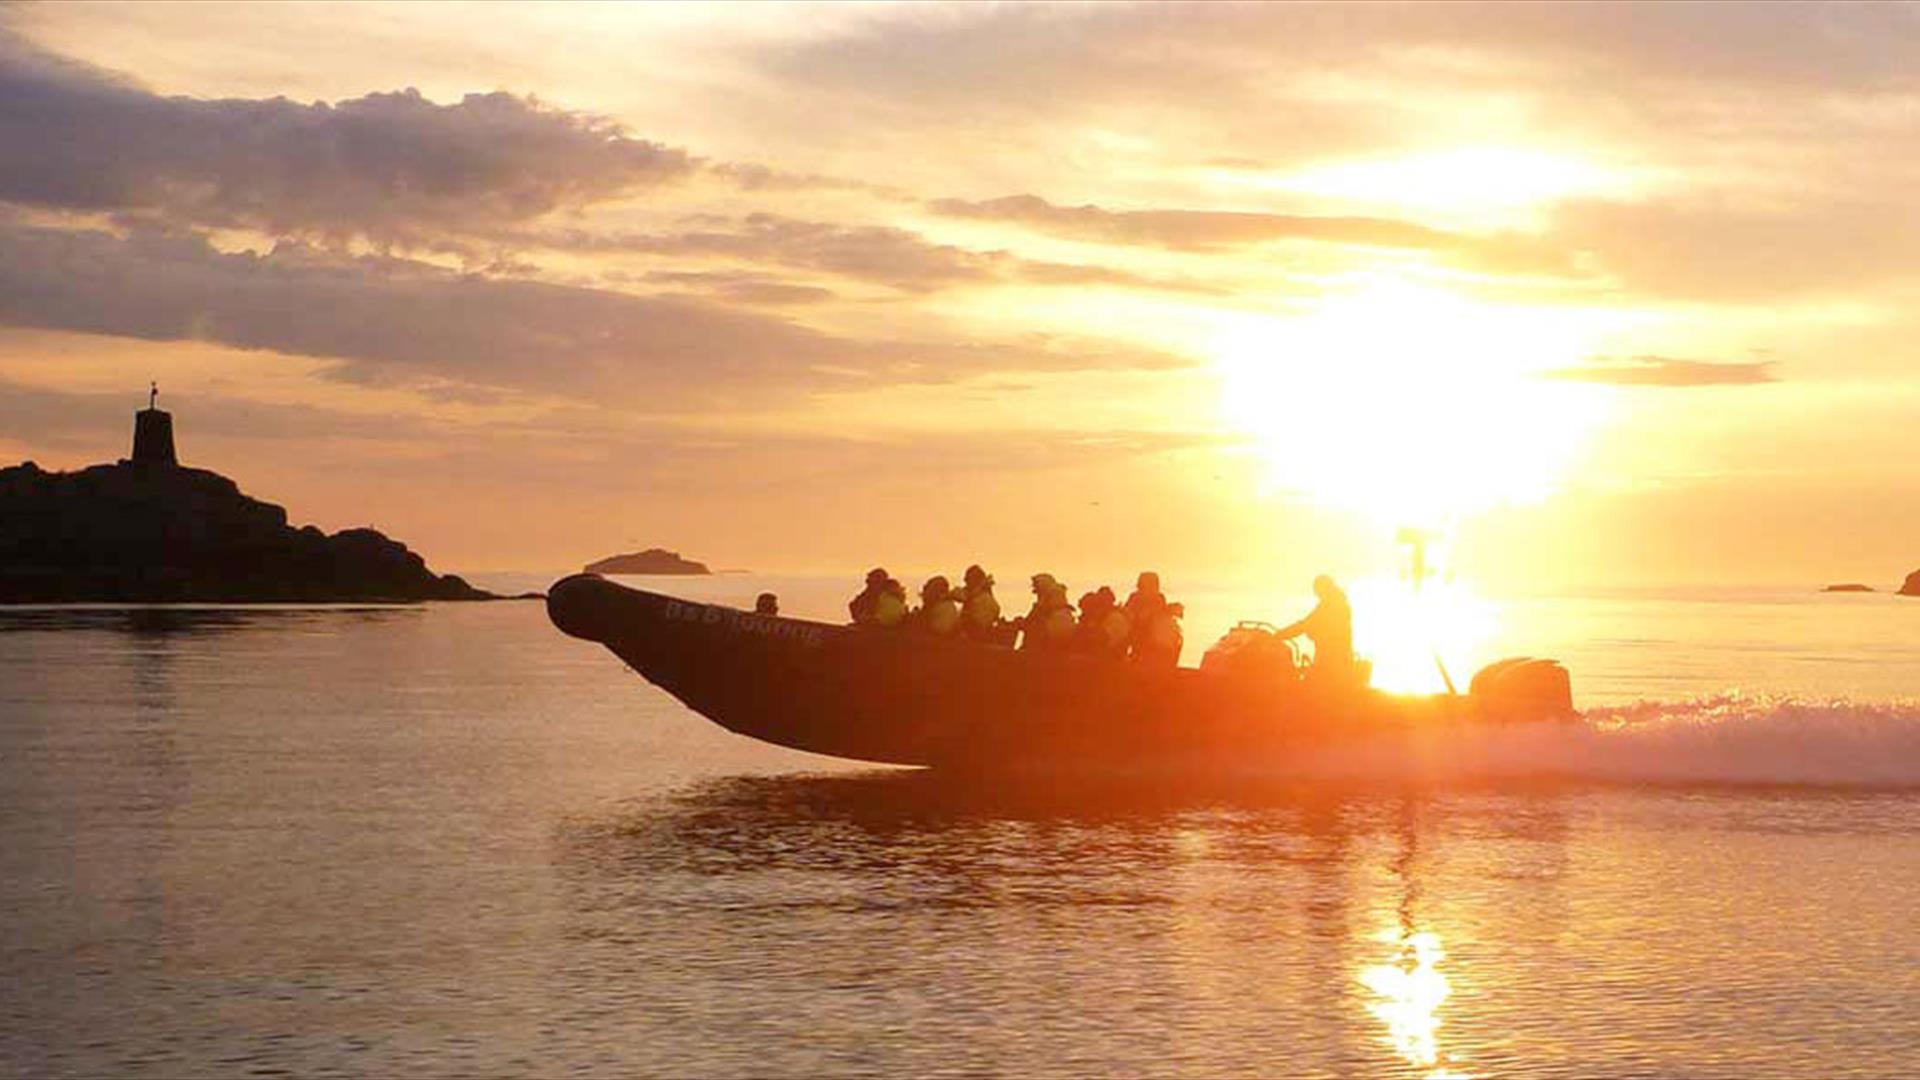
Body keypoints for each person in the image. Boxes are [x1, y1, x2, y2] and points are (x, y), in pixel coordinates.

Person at [1275, 574, 1353, 677]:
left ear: (1324, 588)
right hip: (1338, 659)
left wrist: (1279, 636)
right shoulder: (1338, 603)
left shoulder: (1330, 606)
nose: (1317, 594)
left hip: (1331, 662)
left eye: (1318, 590)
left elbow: (1305, 625)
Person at [1017, 573, 1076, 651]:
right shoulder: (1063, 610)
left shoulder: (1048, 608)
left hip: (1046, 649)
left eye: (1037, 590)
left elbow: (1032, 624)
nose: (1036, 594)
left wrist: (1021, 623)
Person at [1124, 572, 1170, 661]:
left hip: (1151, 641)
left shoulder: (1158, 599)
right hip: (1135, 635)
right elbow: (1127, 614)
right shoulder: (1134, 597)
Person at [1075, 586, 1130, 657]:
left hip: (1113, 659)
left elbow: (1102, 639)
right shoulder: (1101, 618)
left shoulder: (1115, 618)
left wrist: (1089, 627)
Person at [955, 564, 1003, 642]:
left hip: (975, 640)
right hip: (976, 637)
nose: (965, 580)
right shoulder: (975, 595)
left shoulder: (982, 599)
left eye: (968, 579)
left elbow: (979, 624)